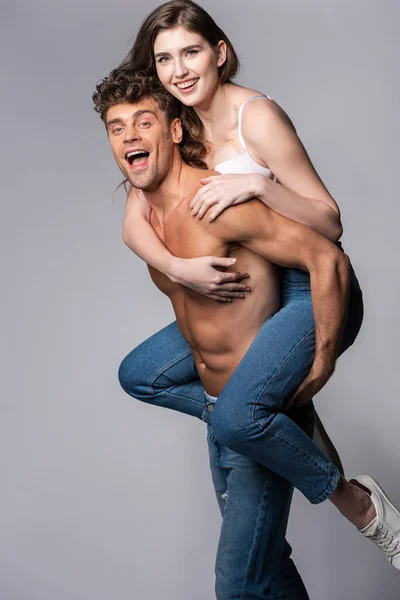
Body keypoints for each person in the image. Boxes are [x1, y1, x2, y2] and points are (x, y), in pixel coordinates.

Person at [92, 70, 400, 599]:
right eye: (117, 128)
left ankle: (355, 499)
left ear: (174, 132)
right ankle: (239, 417)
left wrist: (321, 362)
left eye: (144, 122)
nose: (129, 137)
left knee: (238, 586)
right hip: (223, 416)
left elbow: (327, 258)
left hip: (246, 421)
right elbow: (133, 226)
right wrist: (175, 266)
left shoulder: (219, 202)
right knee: (268, 570)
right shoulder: (144, 210)